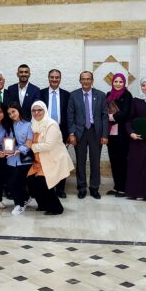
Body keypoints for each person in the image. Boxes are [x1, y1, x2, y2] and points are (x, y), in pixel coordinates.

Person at [25, 101, 75, 215]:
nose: (36, 113)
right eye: (34, 110)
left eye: (39, 110)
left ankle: (57, 208)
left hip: (52, 159)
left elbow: (49, 145)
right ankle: (43, 204)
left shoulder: (51, 124)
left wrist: (31, 146)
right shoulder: (32, 124)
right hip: (39, 160)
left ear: (45, 110)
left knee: (43, 182)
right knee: (31, 180)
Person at [67, 71, 108, 199]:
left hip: (96, 132)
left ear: (92, 80)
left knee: (95, 162)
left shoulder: (100, 95)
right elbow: (70, 116)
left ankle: (94, 188)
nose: (86, 81)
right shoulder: (74, 95)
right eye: (83, 79)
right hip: (80, 132)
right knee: (81, 162)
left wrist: (105, 135)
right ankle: (82, 188)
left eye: (88, 79)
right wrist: (71, 134)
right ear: (80, 81)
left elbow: (104, 116)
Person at [39, 69, 71, 198]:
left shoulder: (66, 95)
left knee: (60, 161)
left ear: (60, 79)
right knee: (46, 161)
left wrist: (70, 133)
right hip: (44, 132)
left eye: (57, 77)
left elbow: (69, 115)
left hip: (61, 133)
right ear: (48, 78)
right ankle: (48, 188)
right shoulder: (41, 93)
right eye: (52, 77)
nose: (54, 79)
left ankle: (60, 189)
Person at [105, 73, 133, 197]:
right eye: (115, 81)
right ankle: (117, 187)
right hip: (110, 133)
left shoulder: (127, 95)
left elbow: (126, 113)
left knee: (122, 161)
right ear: (112, 82)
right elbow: (104, 110)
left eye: (120, 82)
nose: (118, 84)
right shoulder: (108, 95)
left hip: (122, 134)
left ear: (124, 83)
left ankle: (124, 188)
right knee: (114, 160)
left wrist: (111, 117)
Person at [6, 102, 34, 215]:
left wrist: (19, 150)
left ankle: (19, 205)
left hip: (24, 160)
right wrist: (6, 150)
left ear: (18, 110)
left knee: (13, 183)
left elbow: (29, 142)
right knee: (16, 183)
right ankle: (25, 198)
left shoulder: (28, 125)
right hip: (11, 159)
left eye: (13, 111)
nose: (12, 115)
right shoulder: (8, 125)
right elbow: (7, 141)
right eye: (9, 113)